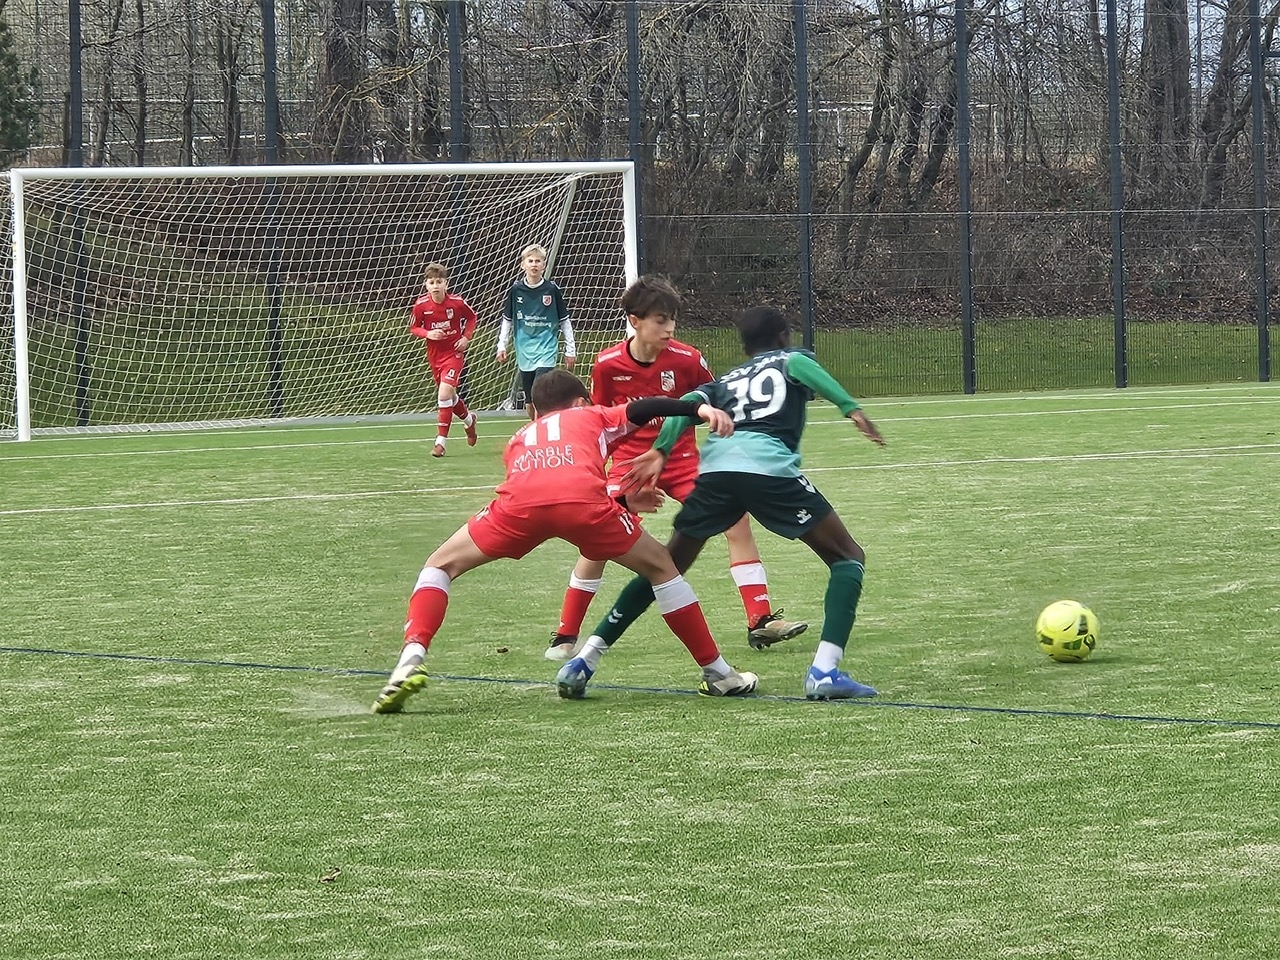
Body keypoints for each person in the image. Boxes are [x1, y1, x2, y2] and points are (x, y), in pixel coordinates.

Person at [372, 369, 759, 714]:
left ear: (535, 411)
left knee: (439, 565)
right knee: (662, 567)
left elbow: (549, 486)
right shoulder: (590, 414)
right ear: (579, 402)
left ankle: (411, 657)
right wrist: (697, 410)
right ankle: (718, 673)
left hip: (518, 508)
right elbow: (643, 409)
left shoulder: (519, 437)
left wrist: (621, 502)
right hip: (584, 506)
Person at [555, 305, 887, 702]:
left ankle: (584, 660)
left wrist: (661, 449)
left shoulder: (727, 379)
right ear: (783, 337)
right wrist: (852, 408)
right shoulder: (791, 359)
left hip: (715, 474)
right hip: (767, 470)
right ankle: (825, 672)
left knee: (664, 566)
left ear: (745, 347)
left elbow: (687, 402)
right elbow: (807, 370)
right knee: (847, 557)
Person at [545, 275, 806, 661]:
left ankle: (760, 619)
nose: (670, 328)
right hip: (631, 464)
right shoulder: (607, 365)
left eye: (672, 320)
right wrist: (599, 473)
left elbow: (716, 401)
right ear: (635, 320)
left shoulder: (688, 359)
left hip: (683, 461)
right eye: (661, 320)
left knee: (736, 523)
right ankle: (566, 633)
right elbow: (600, 421)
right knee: (597, 538)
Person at [408, 261, 479, 458]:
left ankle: (440, 443)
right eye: (431, 282)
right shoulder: (421, 305)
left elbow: (472, 317)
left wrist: (466, 337)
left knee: (444, 394)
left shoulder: (457, 302)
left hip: (454, 354)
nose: (435, 286)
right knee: (450, 397)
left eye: (439, 282)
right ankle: (469, 421)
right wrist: (428, 334)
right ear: (426, 285)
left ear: (446, 284)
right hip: (435, 356)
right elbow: (414, 327)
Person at [495, 243, 575, 417]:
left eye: (538, 261)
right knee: (530, 402)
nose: (534, 264)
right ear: (523, 265)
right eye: (530, 261)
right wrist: (501, 345)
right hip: (525, 352)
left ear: (544, 265)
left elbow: (565, 321)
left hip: (547, 350)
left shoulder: (551, 290)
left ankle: (540, 430)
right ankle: (535, 425)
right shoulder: (516, 290)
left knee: (541, 394)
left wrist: (570, 350)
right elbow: (507, 319)